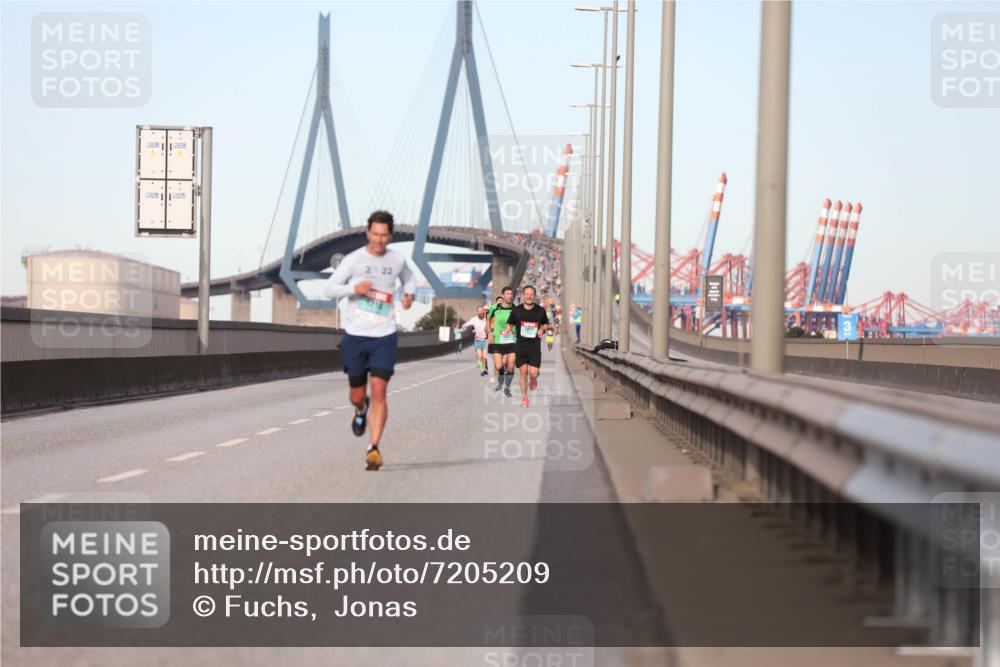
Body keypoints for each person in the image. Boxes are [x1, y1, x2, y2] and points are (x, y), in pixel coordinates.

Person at [323, 210, 416, 471]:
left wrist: (408, 295)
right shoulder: (354, 261)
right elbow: (329, 289)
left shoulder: (397, 260)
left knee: (379, 390)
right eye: (374, 234)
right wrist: (354, 289)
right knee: (357, 394)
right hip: (355, 335)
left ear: (390, 236)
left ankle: (373, 448)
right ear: (368, 233)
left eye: (384, 235)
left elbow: (409, 279)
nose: (379, 240)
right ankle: (360, 410)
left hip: (384, 334)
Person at [503, 285, 549, 408]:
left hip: (534, 347)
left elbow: (545, 324)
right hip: (520, 347)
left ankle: (534, 379)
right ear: (523, 295)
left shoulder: (540, 311)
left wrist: (542, 330)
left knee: (533, 373)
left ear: (534, 296)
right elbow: (509, 322)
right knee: (523, 373)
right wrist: (508, 328)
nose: (529, 296)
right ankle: (524, 398)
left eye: (531, 294)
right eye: (527, 294)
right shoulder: (516, 310)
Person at [487, 287, 517, 397]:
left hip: (512, 341)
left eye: (511, 293)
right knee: (499, 367)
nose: (510, 295)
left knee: (511, 365)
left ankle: (507, 388)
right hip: (498, 341)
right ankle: (500, 381)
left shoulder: (515, 308)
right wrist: (489, 332)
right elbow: (488, 318)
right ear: (503, 296)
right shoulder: (495, 307)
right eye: (507, 293)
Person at [460, 305, 490, 376]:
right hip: (478, 341)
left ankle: (486, 366)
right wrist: (463, 326)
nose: (481, 313)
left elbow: (491, 326)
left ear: (484, 312)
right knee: (479, 356)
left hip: (485, 340)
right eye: (479, 312)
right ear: (477, 312)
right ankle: (482, 370)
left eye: (482, 311)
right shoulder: (474, 319)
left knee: (484, 357)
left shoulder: (487, 319)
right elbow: (467, 324)